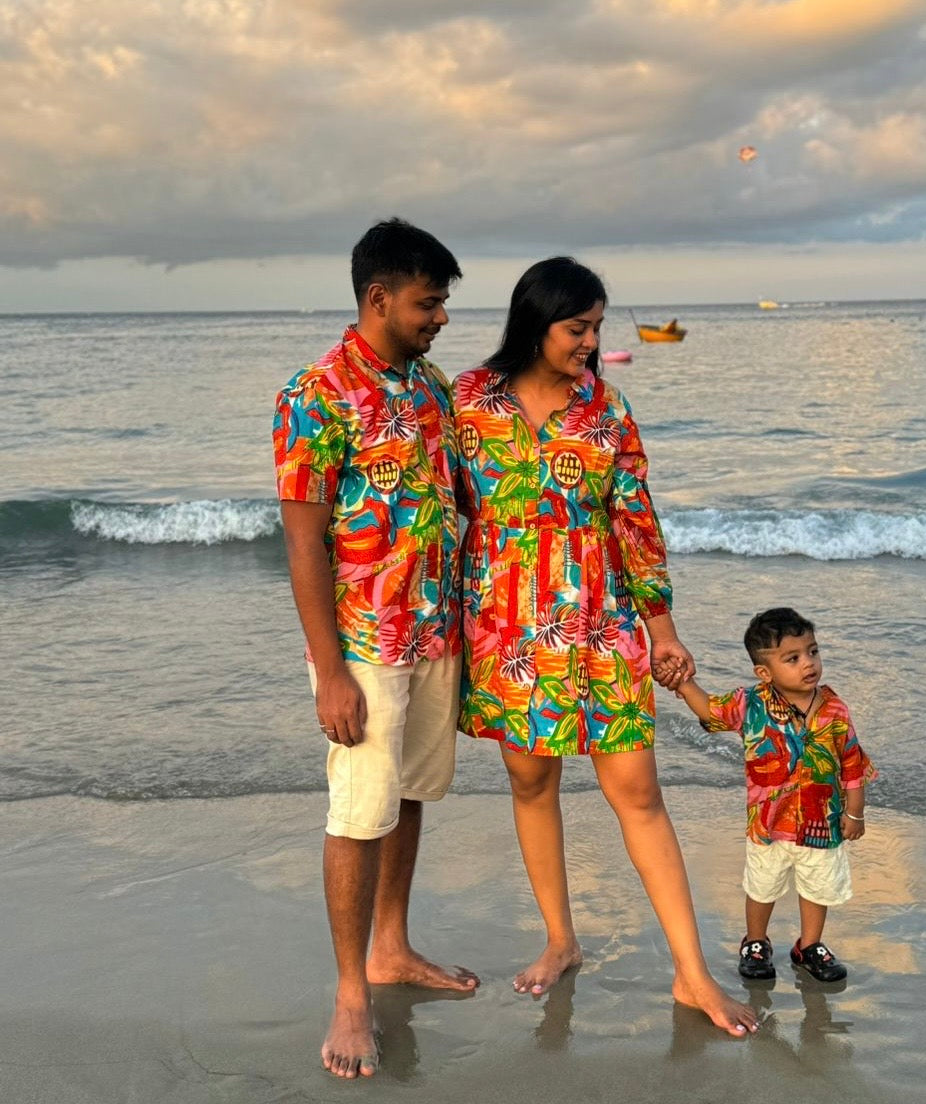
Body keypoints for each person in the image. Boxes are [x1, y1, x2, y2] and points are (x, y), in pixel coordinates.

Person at [452, 256, 758, 1037]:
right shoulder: (467, 402)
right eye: (577, 328)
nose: (590, 342)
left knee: (638, 792)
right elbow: (436, 509)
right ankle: (561, 940)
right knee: (530, 782)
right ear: (536, 323)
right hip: (507, 625)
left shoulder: (607, 409)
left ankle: (692, 973)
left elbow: (636, 522)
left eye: (596, 328)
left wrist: (662, 628)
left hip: (601, 618)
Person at [273, 218, 478, 1080]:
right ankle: (351, 992)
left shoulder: (430, 386)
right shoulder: (315, 393)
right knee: (358, 813)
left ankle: (391, 946)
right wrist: (329, 671)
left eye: (443, 303)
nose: (441, 318)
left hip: (435, 628)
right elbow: (302, 542)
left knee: (411, 794)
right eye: (429, 303)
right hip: (364, 641)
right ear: (379, 298)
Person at [666, 608, 876, 984]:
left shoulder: (835, 709)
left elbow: (852, 764)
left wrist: (855, 813)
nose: (808, 663)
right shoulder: (751, 704)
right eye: (792, 658)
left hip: (823, 823)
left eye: (813, 651)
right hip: (768, 823)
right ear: (764, 672)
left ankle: (809, 946)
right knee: (762, 886)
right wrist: (684, 684)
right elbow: (712, 711)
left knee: (818, 887)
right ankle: (756, 942)